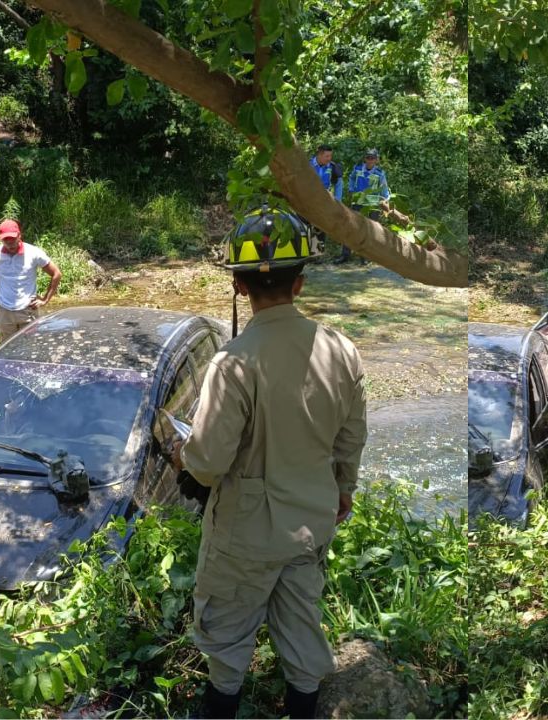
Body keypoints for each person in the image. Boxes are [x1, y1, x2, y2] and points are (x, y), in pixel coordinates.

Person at [169, 209, 367, 719]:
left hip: (246, 532)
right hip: (311, 520)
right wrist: (342, 490)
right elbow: (350, 439)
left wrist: (181, 453)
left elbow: (209, 463)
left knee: (227, 645)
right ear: (300, 284)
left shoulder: (234, 361)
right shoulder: (341, 350)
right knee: (303, 635)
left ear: (238, 286)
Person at [0, 219, 61, 342]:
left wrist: (45, 299)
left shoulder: (33, 253)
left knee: (30, 347)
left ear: (19, 235)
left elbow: (56, 274)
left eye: (13, 239)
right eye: (6, 240)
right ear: (0, 239)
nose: (10, 243)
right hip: (4, 310)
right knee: (6, 348)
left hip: (27, 310)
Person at [337, 147, 391, 264]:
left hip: (372, 205)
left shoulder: (380, 173)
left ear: (377, 160)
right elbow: (351, 179)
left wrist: (385, 202)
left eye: (373, 158)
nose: (370, 160)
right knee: (351, 228)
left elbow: (385, 190)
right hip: (358, 203)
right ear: (365, 159)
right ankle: (345, 255)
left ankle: (365, 257)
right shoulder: (357, 169)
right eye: (368, 157)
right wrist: (351, 189)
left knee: (370, 232)